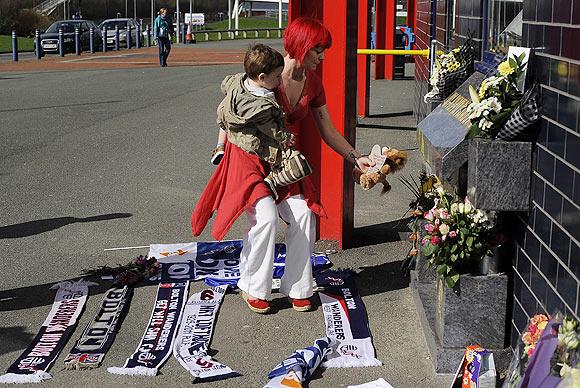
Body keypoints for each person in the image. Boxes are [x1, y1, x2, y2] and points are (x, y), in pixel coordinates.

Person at [192, 17, 374, 314]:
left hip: (282, 160)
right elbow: (228, 111)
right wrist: (220, 148)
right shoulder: (267, 71)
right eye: (318, 49)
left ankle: (299, 287)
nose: (323, 56)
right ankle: (252, 284)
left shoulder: (313, 83)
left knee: (304, 214)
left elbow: (327, 129)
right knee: (265, 217)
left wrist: (356, 156)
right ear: (302, 47)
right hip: (248, 158)